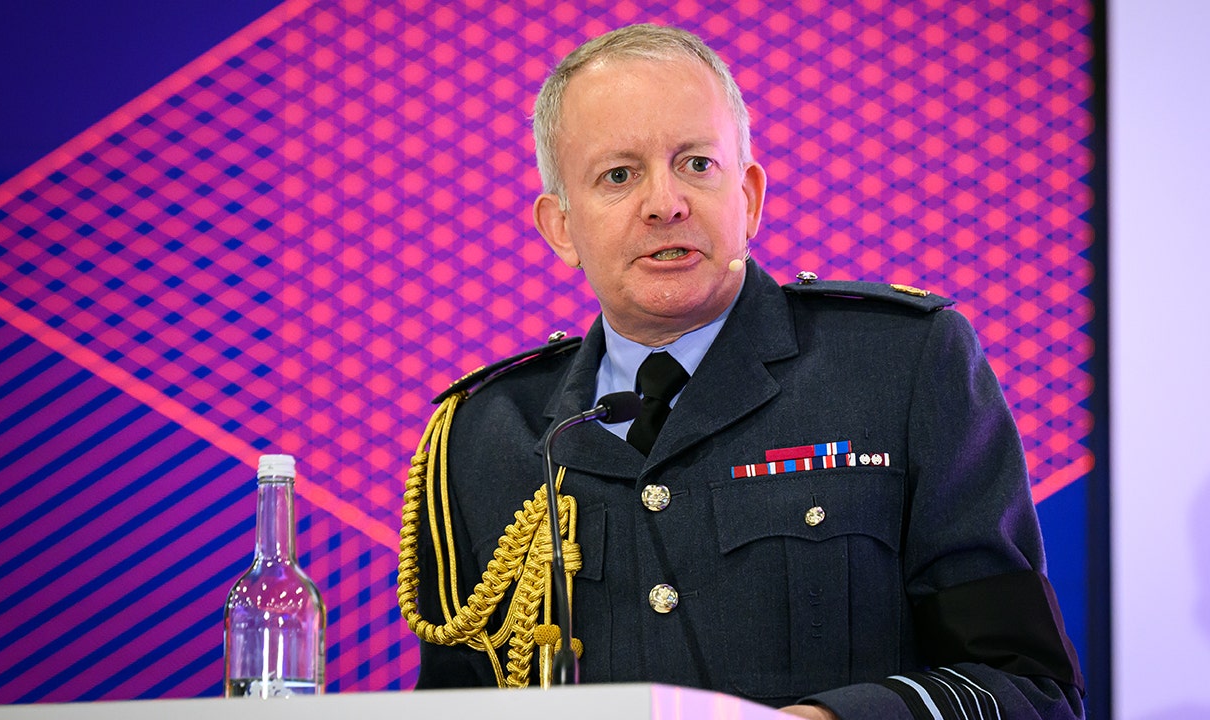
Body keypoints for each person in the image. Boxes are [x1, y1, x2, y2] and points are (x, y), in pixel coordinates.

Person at [399, 23, 1086, 720]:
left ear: (750, 197)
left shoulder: (904, 365)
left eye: (696, 164)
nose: (665, 203)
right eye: (619, 175)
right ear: (561, 227)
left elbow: (1030, 688)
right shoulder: (480, 434)